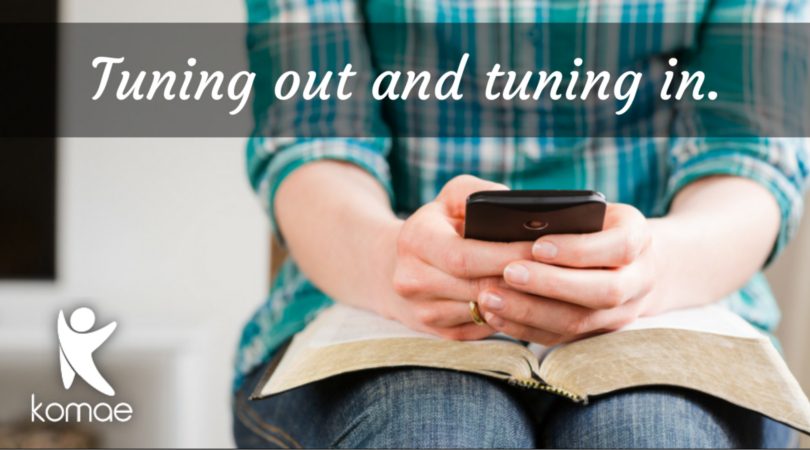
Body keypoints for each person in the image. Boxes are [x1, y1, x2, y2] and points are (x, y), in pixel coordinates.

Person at [233, 0, 808, 447]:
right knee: (435, 430)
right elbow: (311, 139)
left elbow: (752, 157)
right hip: (366, 303)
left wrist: (649, 269)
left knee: (651, 434)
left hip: (676, 300)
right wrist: (392, 260)